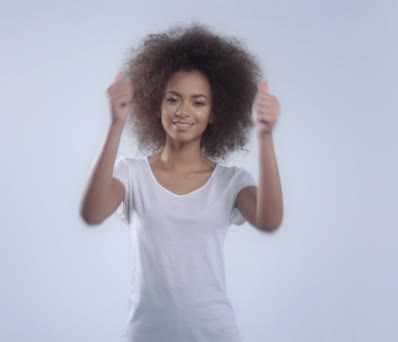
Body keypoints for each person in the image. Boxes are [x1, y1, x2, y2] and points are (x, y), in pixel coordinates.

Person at [80, 23, 284, 342]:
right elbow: (91, 213)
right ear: (156, 104)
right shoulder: (132, 174)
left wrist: (265, 135)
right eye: (173, 99)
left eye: (198, 102)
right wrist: (116, 125)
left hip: (215, 333)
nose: (183, 111)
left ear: (214, 113)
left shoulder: (230, 182)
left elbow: (269, 220)